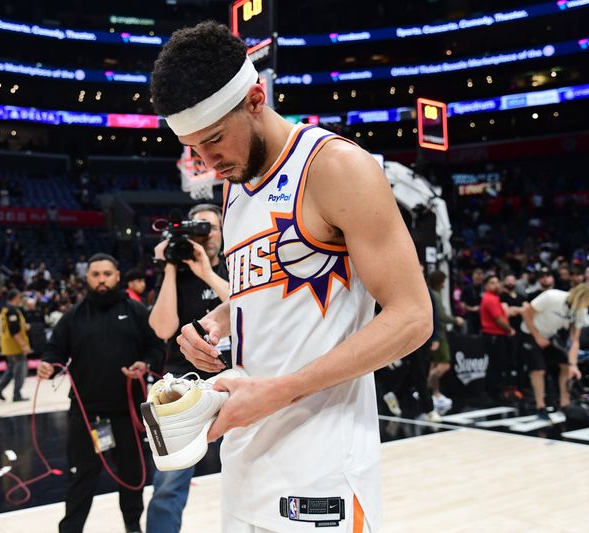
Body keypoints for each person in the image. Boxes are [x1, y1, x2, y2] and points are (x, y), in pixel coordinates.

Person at [152, 21, 432, 531]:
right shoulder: (236, 184)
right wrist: (219, 318)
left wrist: (279, 391)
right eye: (194, 149)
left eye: (214, 140)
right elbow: (267, 291)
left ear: (256, 98)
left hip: (321, 470)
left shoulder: (338, 167)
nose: (207, 162)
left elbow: (413, 319)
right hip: (245, 459)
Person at [37, 254, 164, 533]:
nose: (102, 279)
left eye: (107, 274)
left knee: (131, 477)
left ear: (118, 276)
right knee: (82, 477)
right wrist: (48, 365)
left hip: (127, 413)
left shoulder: (137, 311)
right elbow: (54, 351)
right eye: (96, 274)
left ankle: (133, 527)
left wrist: (146, 364)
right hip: (88, 416)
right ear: (88, 278)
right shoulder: (74, 316)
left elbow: (156, 347)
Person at [145, 203, 230, 533]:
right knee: (169, 483)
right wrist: (168, 268)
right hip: (185, 385)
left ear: (223, 234)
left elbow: (246, 309)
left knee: (251, 466)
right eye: (197, 227)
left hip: (234, 379)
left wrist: (207, 272)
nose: (204, 236)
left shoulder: (235, 269)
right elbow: (163, 329)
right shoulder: (174, 277)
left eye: (211, 228)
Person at [520, 284, 589, 420]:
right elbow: (526, 313)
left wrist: (574, 365)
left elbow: (574, 339)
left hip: (549, 336)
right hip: (529, 333)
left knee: (565, 366)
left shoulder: (580, 310)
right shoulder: (552, 296)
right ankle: (540, 407)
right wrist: (537, 336)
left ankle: (565, 405)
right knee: (539, 370)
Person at [427, 270, 462, 414]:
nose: (444, 284)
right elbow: (441, 316)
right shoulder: (434, 295)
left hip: (434, 334)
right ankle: (429, 392)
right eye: (443, 281)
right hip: (439, 335)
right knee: (444, 365)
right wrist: (455, 320)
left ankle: (432, 394)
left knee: (433, 365)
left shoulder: (433, 293)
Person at [479, 275, 515, 403]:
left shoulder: (493, 298)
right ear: (486, 285)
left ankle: (493, 391)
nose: (496, 285)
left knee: (495, 365)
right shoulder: (490, 299)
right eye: (492, 283)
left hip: (494, 335)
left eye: (497, 282)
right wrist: (509, 330)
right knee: (496, 365)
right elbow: (498, 319)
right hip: (493, 335)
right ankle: (494, 392)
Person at [0, 289, 30, 402]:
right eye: (19, 298)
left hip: (7, 345)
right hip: (15, 346)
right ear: (15, 298)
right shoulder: (13, 311)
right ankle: (17, 394)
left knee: (11, 369)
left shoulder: (5, 310)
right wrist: (23, 345)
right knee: (20, 371)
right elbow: (14, 331)